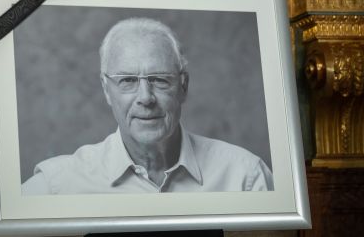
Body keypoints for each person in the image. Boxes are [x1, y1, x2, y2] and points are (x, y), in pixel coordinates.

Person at [22, 17, 273, 195]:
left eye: (159, 80)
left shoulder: (245, 176)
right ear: (106, 89)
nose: (146, 97)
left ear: (183, 86)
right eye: (128, 80)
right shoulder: (56, 185)